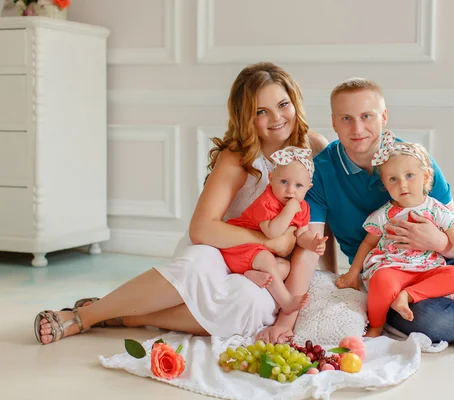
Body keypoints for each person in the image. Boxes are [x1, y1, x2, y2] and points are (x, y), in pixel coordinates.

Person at [34, 62, 330, 344]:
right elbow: (202, 229)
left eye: (282, 105)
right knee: (195, 268)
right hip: (221, 247)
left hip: (266, 266)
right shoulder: (238, 156)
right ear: (246, 117)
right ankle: (82, 316)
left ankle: (126, 318)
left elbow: (317, 225)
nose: (277, 118)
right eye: (261, 111)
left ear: (295, 101)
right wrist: (269, 241)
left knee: (250, 306)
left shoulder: (314, 148)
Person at [257, 77, 454, 344]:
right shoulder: (320, 172)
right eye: (346, 118)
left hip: (445, 259)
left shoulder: (414, 161)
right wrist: (286, 319)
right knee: (436, 321)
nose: (358, 128)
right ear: (334, 123)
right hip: (389, 276)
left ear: (383, 116)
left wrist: (438, 241)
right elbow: (309, 248)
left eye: (367, 116)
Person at [335, 136, 454, 337]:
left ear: (426, 176)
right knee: (381, 281)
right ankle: (376, 325)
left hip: (428, 270)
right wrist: (352, 273)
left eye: (409, 175)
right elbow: (368, 244)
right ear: (385, 184)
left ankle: (408, 295)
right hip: (394, 269)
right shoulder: (383, 215)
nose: (402, 184)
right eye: (393, 179)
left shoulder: (437, 211)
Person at [220, 146, 327, 314]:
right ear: (271, 178)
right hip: (240, 247)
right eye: (284, 182)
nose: (290, 190)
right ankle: (286, 301)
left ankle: (250, 275)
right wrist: (290, 209)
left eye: (299, 185)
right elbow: (272, 233)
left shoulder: (303, 207)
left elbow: (301, 234)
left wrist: (312, 243)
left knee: (284, 266)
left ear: (308, 188)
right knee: (266, 259)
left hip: (260, 255)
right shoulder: (266, 201)